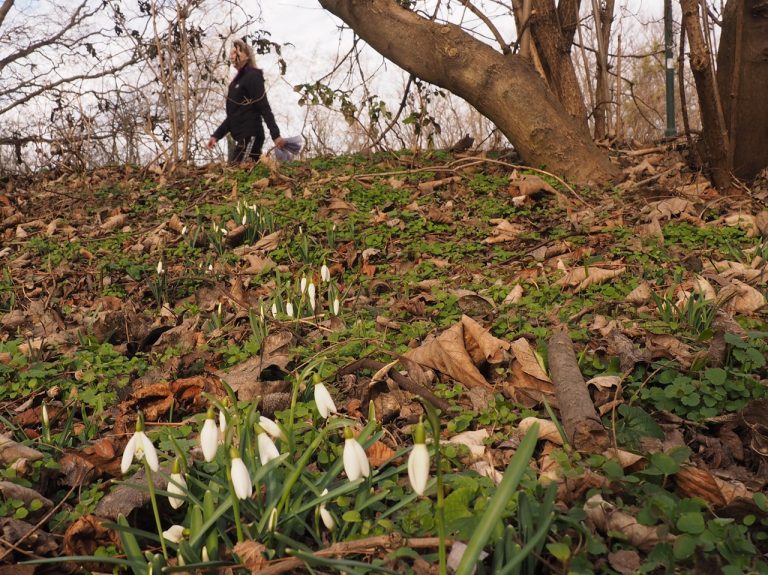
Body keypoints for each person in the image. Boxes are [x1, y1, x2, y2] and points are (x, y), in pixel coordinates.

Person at [208, 38, 285, 162]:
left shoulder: (253, 76)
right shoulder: (235, 84)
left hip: (251, 135)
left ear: (247, 56)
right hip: (242, 137)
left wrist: (275, 135)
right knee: (240, 171)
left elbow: (263, 105)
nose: (232, 56)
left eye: (236, 52)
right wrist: (216, 136)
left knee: (237, 170)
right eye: (231, 52)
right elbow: (233, 116)